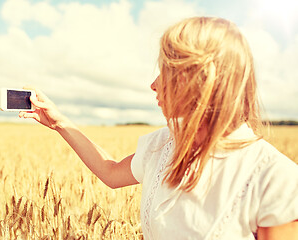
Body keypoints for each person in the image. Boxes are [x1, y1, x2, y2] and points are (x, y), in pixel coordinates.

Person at [19, 17, 298, 240]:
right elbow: (110, 171)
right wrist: (59, 123)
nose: (154, 84)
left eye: (166, 70)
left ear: (199, 81)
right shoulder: (162, 144)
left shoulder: (275, 178)